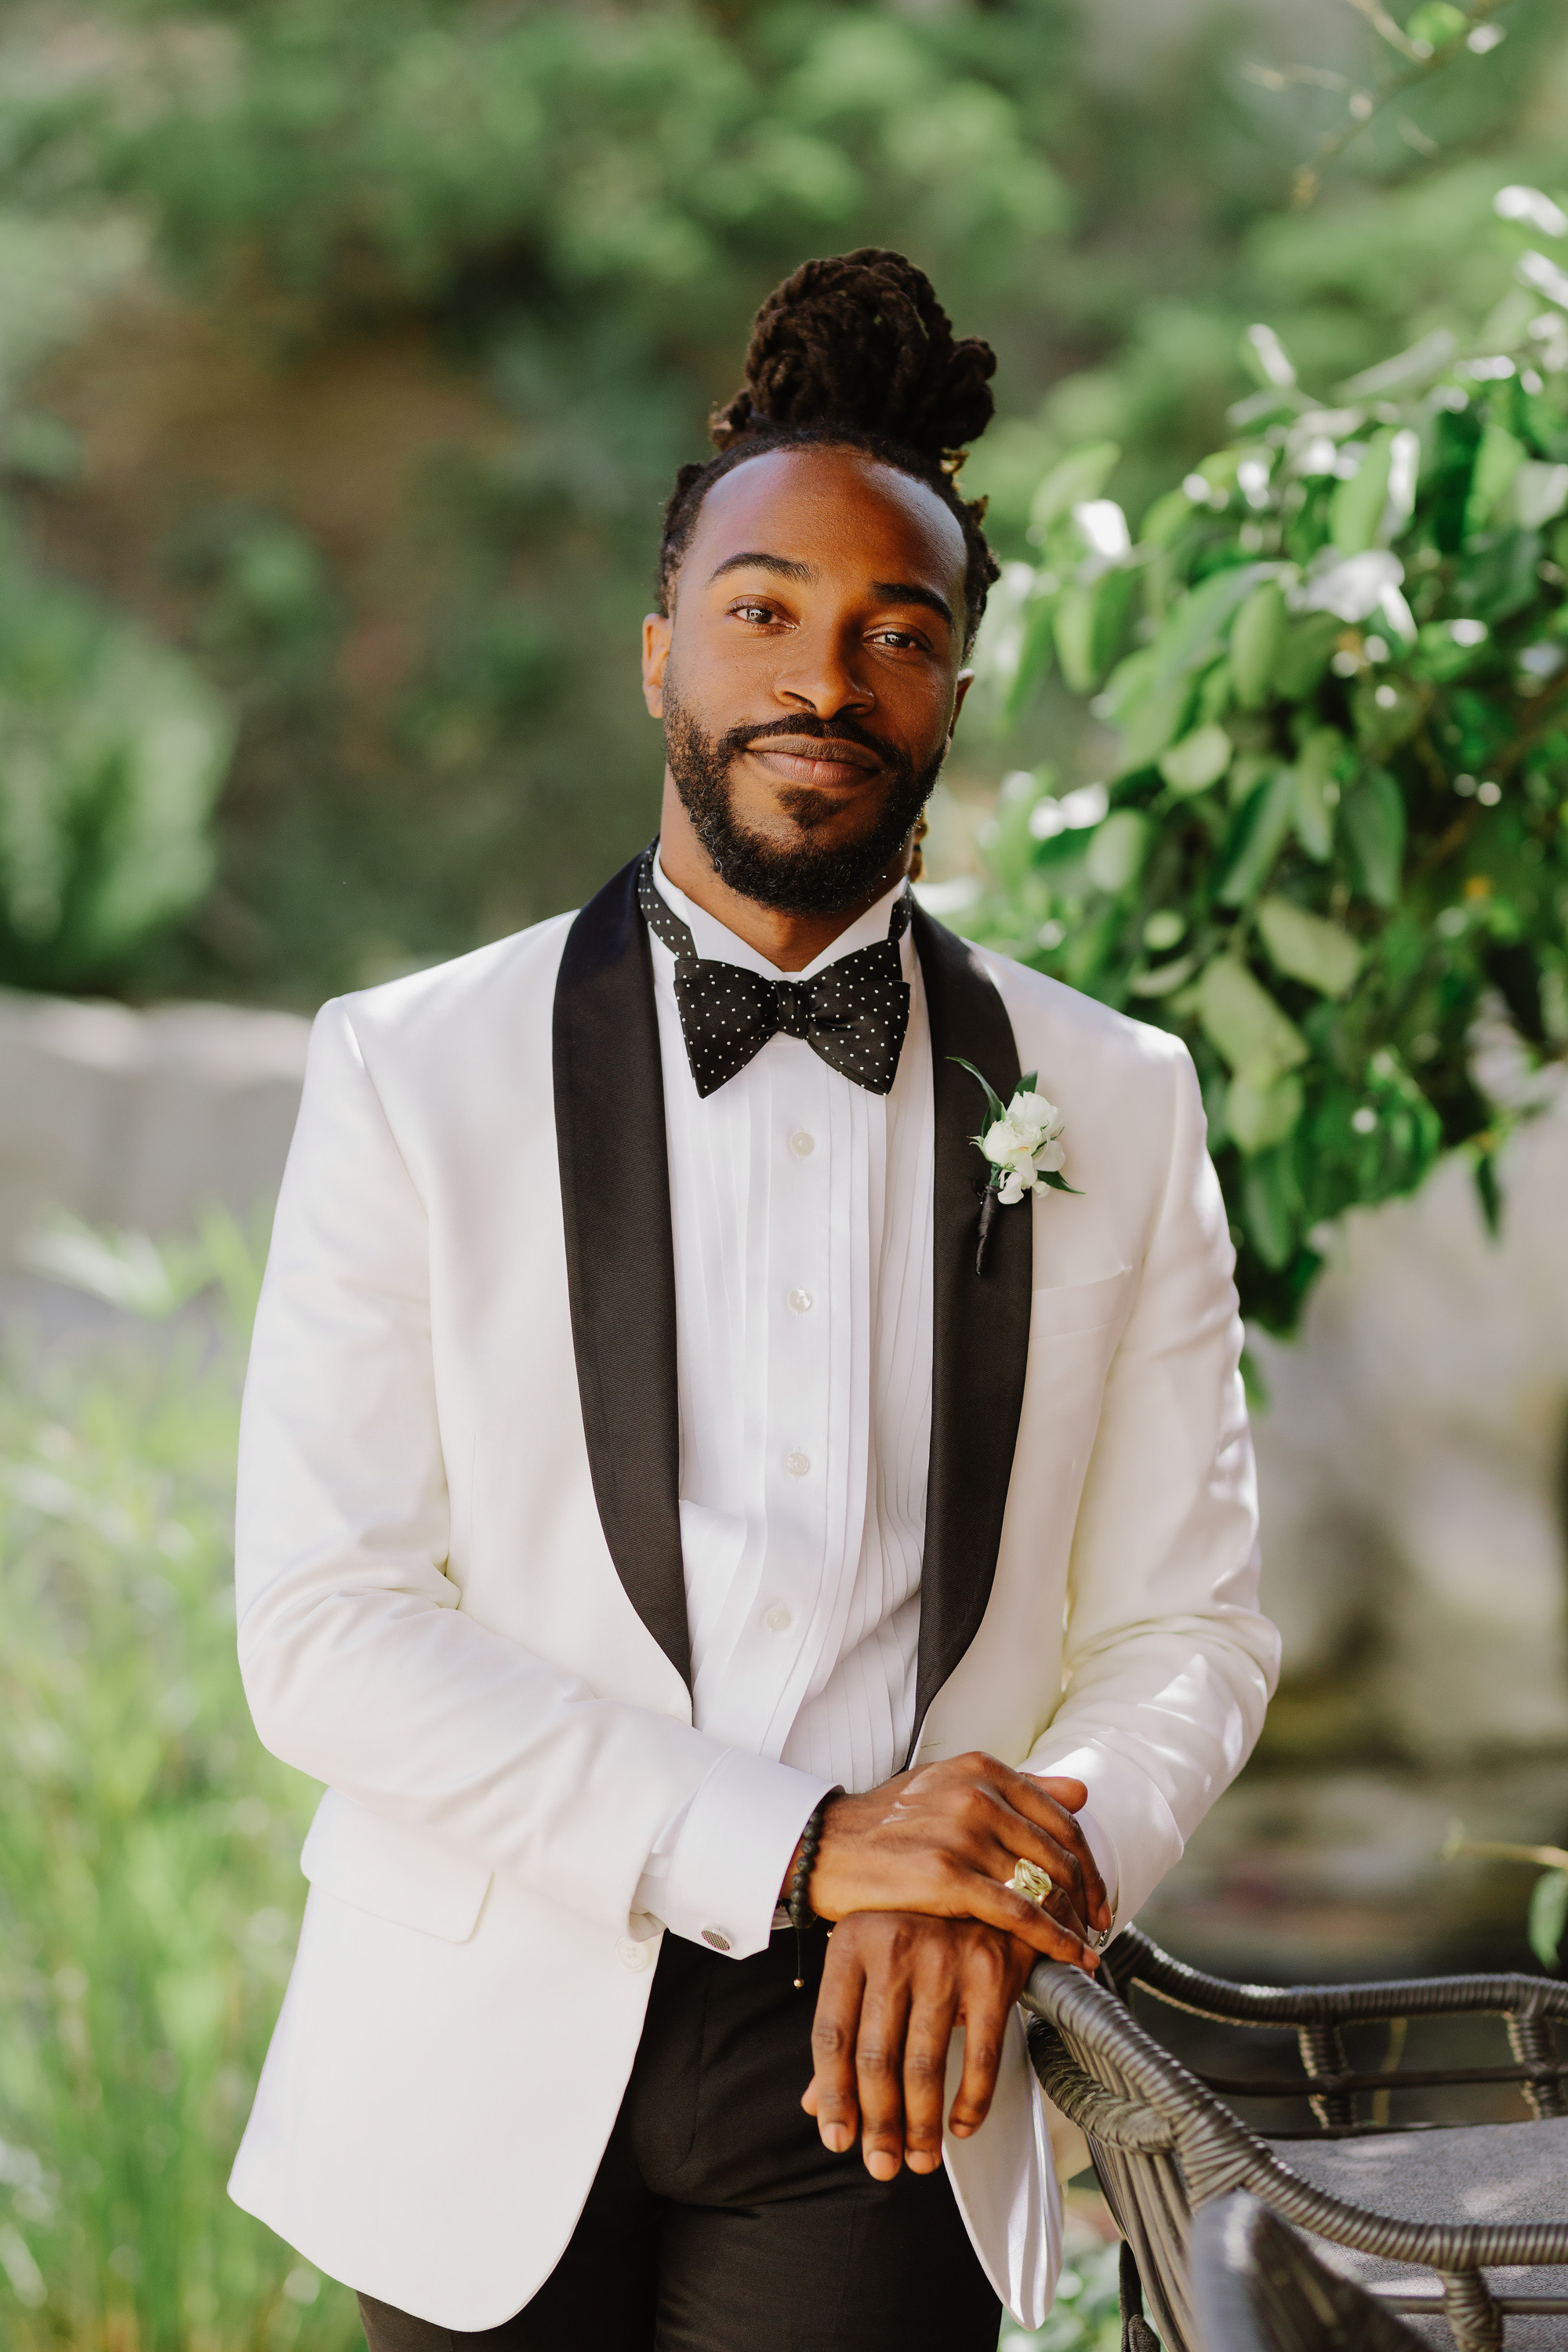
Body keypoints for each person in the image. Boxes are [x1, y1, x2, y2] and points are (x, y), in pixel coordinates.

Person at [227, 249, 1278, 2352]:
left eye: (902, 632)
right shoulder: (410, 1068)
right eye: (764, 613)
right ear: (658, 655)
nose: (830, 675)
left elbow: (1191, 1629)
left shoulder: (1119, 1104)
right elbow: (326, 1635)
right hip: (475, 2036)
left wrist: (1007, 1878)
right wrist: (809, 1844)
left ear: (958, 687)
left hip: (883, 2071)